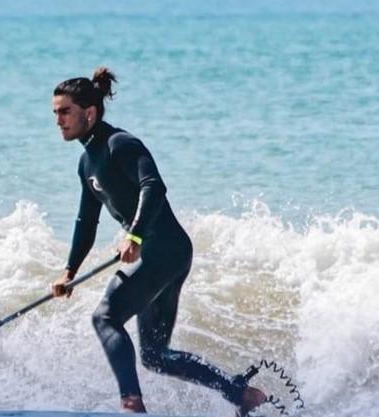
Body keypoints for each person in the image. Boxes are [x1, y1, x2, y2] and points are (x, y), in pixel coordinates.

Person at [49, 67, 267, 416]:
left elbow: (153, 186)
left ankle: (131, 404)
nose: (58, 120)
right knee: (154, 355)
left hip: (165, 250)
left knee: (105, 318)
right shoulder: (85, 162)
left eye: (65, 112)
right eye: (55, 113)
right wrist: (68, 271)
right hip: (163, 254)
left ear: (89, 112)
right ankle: (239, 393)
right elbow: (85, 222)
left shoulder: (120, 144)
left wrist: (133, 234)